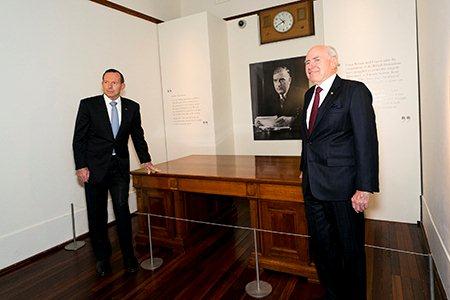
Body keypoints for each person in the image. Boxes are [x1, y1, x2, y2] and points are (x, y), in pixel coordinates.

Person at [300, 45, 379, 299]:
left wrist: (364, 187)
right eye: (306, 62)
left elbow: (366, 141)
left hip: (344, 189)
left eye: (315, 59)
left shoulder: (354, 91)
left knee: (350, 251)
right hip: (312, 187)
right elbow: (308, 140)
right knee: (323, 248)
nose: (310, 65)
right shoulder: (309, 95)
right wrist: (304, 169)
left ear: (334, 62)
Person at [72, 69, 158, 277]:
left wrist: (145, 159)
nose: (110, 86)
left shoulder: (132, 107)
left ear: (122, 85)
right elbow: (79, 139)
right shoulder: (88, 105)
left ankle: (129, 257)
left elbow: (138, 136)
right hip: (93, 170)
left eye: (115, 82)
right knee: (97, 214)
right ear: (102, 84)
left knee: (122, 211)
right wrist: (81, 166)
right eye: (106, 82)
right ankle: (102, 258)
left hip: (119, 168)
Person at [255, 66, 302, 132]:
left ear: (289, 80)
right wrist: (260, 122)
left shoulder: (301, 95)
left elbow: (308, 119)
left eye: (282, 80)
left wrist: (292, 120)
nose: (278, 84)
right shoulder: (269, 99)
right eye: (275, 80)